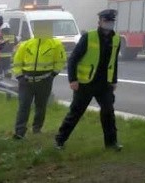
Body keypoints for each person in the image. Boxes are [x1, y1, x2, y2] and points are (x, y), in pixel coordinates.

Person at [54, 9, 121, 150]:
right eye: (106, 21)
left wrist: (114, 80)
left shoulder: (116, 39)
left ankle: (111, 143)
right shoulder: (88, 37)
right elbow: (73, 59)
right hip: (86, 83)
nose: (109, 24)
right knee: (76, 112)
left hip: (104, 84)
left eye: (111, 21)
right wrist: (72, 80)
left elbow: (114, 61)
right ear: (100, 22)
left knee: (108, 112)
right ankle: (59, 140)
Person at [12, 20, 66, 139]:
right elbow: (17, 61)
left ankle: (37, 129)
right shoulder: (26, 44)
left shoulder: (56, 44)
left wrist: (53, 75)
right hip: (26, 80)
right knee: (24, 106)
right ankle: (19, 132)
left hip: (45, 80)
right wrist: (19, 76)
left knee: (41, 106)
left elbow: (60, 60)